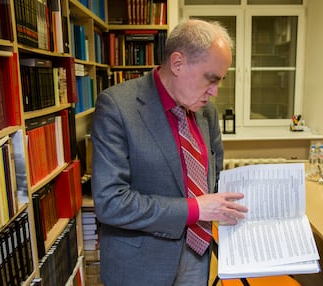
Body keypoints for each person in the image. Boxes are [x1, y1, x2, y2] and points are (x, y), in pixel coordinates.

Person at [91, 19, 248, 286]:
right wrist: (195, 208)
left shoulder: (206, 112)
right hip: (141, 265)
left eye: (220, 80)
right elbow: (111, 203)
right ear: (177, 64)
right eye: (210, 79)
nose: (215, 91)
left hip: (196, 257)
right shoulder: (117, 106)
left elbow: (215, 178)